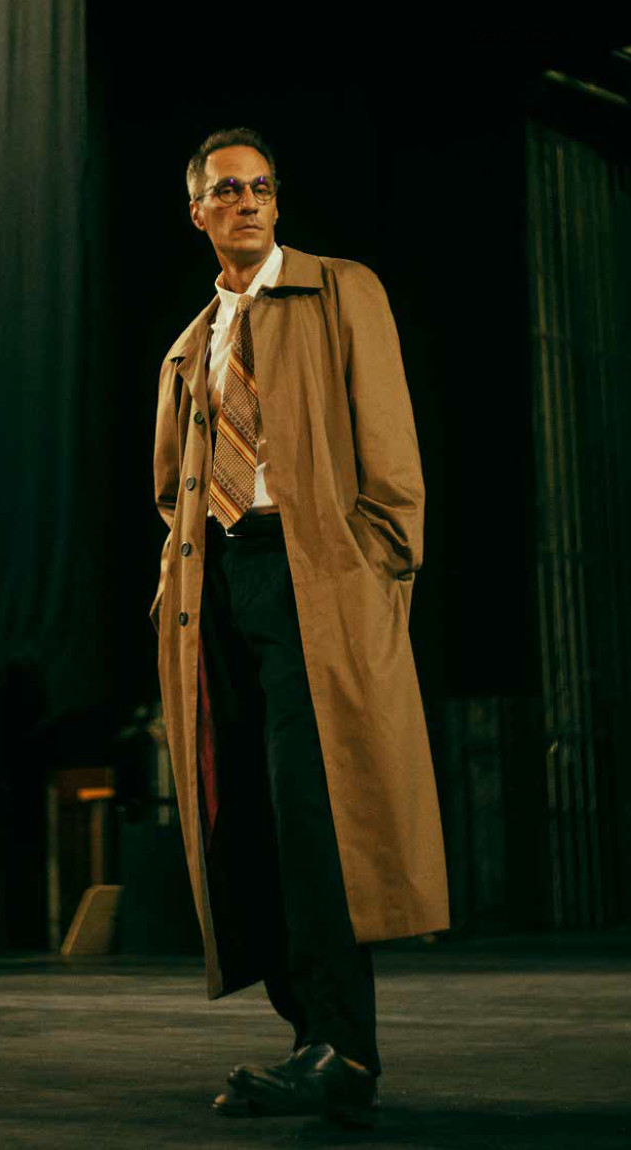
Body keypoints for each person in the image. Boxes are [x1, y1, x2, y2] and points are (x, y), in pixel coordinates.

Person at [149, 126, 449, 1127]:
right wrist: (176, 586)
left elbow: (391, 453)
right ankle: (305, 1037)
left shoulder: (338, 290)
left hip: (315, 576)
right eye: (227, 189)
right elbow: (172, 489)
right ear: (197, 211)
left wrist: (373, 567)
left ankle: (343, 1048)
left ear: (276, 203)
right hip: (222, 586)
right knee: (254, 816)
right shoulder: (191, 344)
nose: (247, 201)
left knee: (317, 814)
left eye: (261, 187)